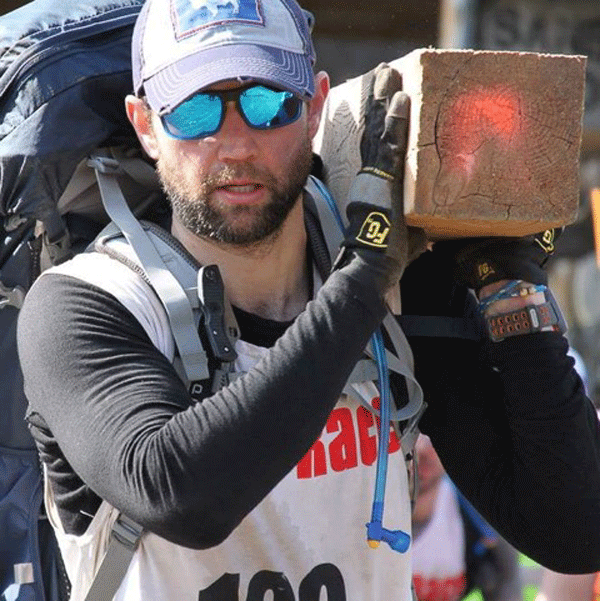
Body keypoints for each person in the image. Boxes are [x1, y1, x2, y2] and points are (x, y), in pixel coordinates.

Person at [15, 0, 600, 599]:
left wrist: (512, 289)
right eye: (194, 111)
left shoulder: (392, 288)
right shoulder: (86, 303)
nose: (236, 145)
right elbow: (178, 495)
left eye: (269, 104)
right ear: (145, 126)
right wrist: (361, 283)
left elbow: (574, 532)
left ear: (315, 104)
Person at [411, 434, 521, 601]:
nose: (422, 448)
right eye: (411, 435)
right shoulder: (366, 513)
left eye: (432, 436)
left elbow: (506, 586)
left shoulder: (480, 517)